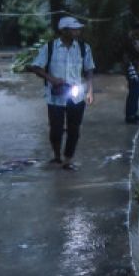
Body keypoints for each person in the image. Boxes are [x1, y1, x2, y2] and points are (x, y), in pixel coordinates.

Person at [28, 16, 95, 170]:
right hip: (55, 96)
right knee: (56, 129)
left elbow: (89, 70)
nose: (77, 32)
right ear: (64, 31)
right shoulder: (50, 47)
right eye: (74, 29)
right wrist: (51, 79)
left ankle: (68, 159)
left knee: (74, 129)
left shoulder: (84, 48)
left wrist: (90, 90)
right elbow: (36, 67)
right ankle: (57, 156)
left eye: (78, 29)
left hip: (77, 96)